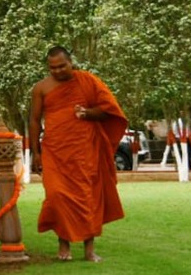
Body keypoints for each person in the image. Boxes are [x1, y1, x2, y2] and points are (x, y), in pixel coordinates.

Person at [29, 46, 126, 263]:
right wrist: (35, 151)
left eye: (62, 66)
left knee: (86, 197)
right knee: (56, 196)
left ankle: (89, 249)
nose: (58, 71)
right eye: (52, 68)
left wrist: (88, 113)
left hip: (84, 149)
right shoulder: (41, 88)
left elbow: (110, 111)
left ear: (71, 62)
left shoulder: (88, 82)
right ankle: (63, 244)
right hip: (54, 150)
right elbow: (34, 120)